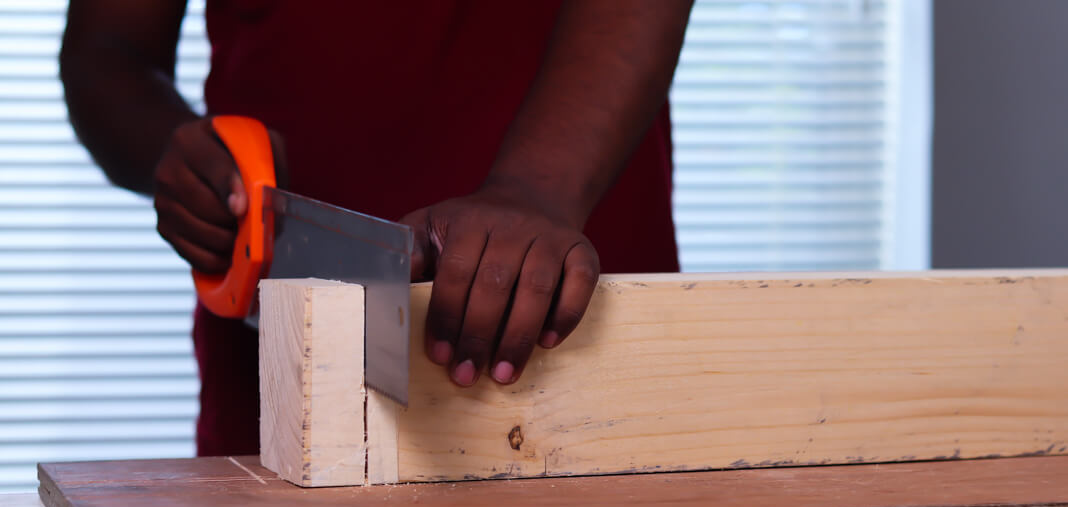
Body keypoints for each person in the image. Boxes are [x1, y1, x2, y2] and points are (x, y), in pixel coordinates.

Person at [60, 1, 693, 456]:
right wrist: (186, 165)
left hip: (575, 304)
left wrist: (539, 189)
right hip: (282, 332)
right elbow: (106, 53)